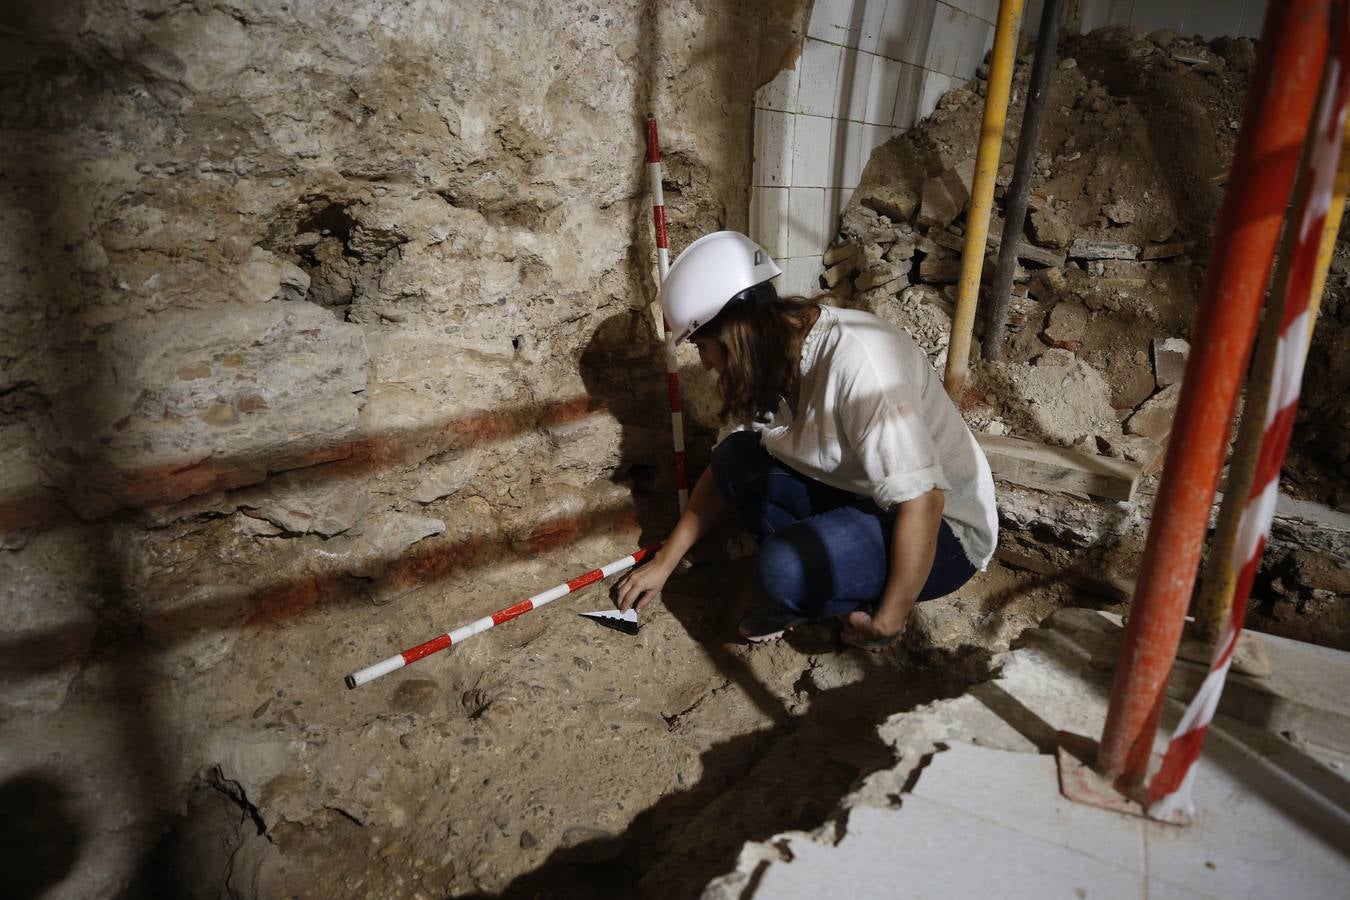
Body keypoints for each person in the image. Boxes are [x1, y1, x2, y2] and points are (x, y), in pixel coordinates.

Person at [611, 231, 998, 649]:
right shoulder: (768, 362)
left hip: (944, 533)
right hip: (867, 497)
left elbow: (924, 500)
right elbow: (725, 471)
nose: (704, 363)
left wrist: (888, 621)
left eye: (703, 346)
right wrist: (665, 562)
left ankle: (816, 591)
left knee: (784, 570)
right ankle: (824, 578)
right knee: (735, 460)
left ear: (735, 336)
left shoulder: (862, 364)